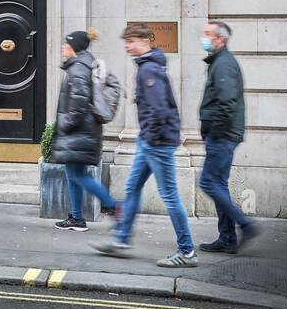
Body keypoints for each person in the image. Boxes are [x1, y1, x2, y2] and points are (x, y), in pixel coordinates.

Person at [97, 22, 197, 267]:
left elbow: (158, 109)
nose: (128, 47)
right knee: (132, 187)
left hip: (156, 142)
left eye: (130, 42)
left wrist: (151, 140)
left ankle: (187, 251)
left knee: (170, 195)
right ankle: (120, 240)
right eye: (126, 43)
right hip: (150, 139)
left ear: (144, 41)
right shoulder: (148, 67)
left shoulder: (149, 70)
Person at [50, 29, 122, 230]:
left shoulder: (79, 68)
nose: (63, 47)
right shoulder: (80, 65)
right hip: (82, 129)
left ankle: (114, 207)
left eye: (66, 44)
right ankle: (77, 217)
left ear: (74, 47)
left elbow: (79, 104)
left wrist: (65, 124)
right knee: (73, 173)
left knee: (78, 175)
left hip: (79, 130)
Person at [198, 20, 258, 254]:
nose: (203, 37)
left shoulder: (223, 64)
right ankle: (227, 238)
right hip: (222, 135)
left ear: (219, 39)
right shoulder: (219, 62)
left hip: (222, 136)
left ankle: (245, 224)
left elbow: (227, 104)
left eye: (207, 34)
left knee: (208, 182)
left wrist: (213, 132)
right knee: (218, 184)